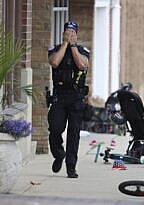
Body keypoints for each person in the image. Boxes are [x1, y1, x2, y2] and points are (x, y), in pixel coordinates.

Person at [47, 20, 90, 178]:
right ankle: (59, 154)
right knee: (55, 129)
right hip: (60, 96)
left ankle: (71, 167)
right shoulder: (55, 49)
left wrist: (72, 46)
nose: (70, 35)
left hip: (76, 97)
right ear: (63, 33)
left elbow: (81, 65)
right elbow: (54, 62)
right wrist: (65, 44)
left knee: (74, 134)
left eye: (72, 33)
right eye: (67, 32)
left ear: (76, 35)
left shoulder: (82, 51)